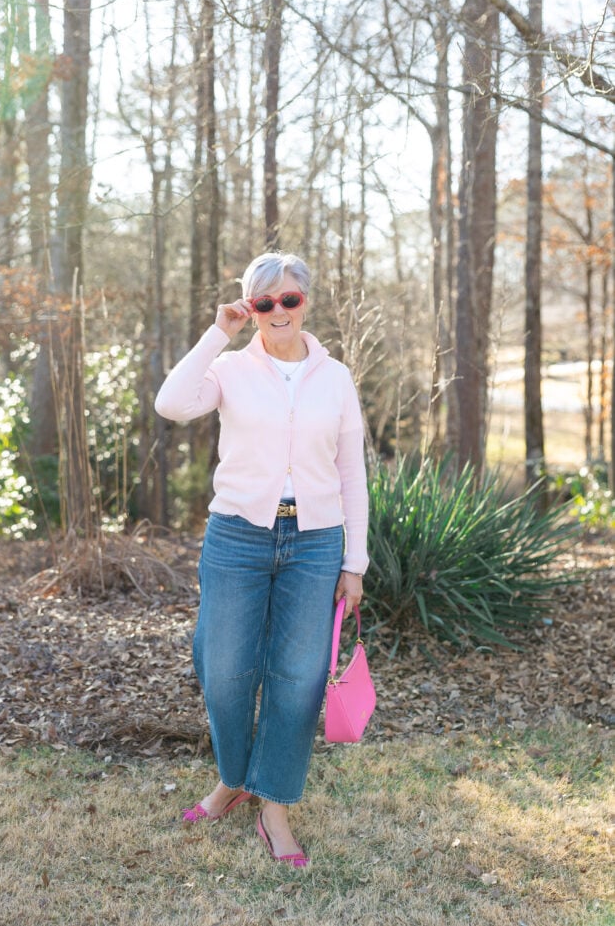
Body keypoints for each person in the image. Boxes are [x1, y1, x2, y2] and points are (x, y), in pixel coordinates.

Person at [155, 251, 369, 868]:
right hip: (237, 536)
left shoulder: (336, 377)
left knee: (299, 677)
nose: (278, 312)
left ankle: (273, 804)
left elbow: (351, 474)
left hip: (316, 541)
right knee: (222, 668)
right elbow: (172, 403)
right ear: (252, 308)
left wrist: (354, 561)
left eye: (289, 300)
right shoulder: (227, 368)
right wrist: (219, 330)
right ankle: (233, 777)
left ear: (306, 303)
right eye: (264, 302)